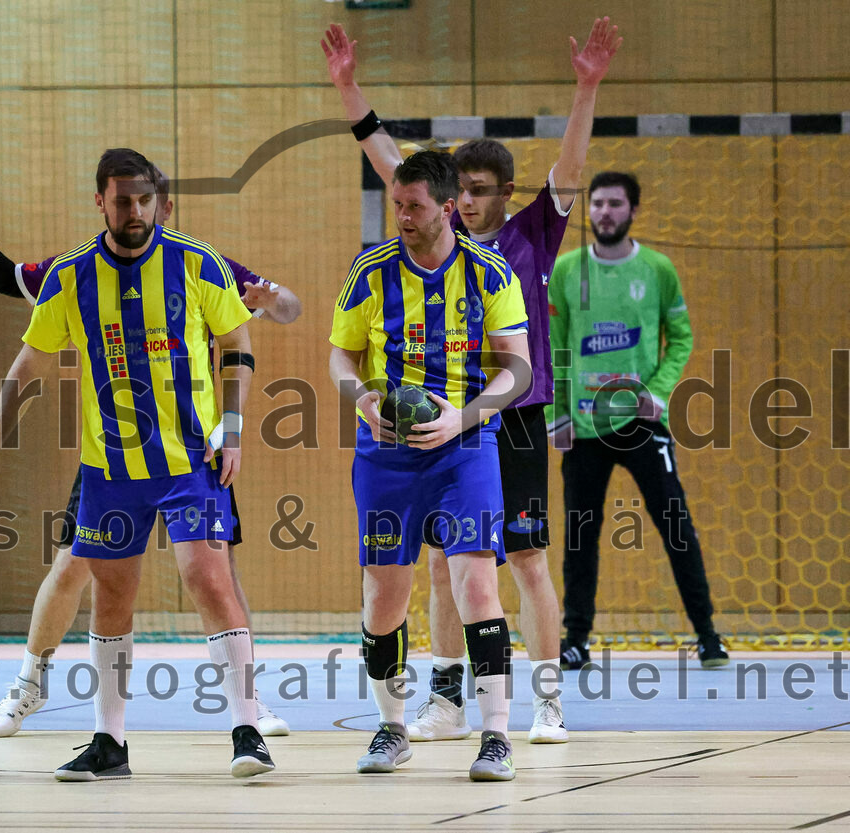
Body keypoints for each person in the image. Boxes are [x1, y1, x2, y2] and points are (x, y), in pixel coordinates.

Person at [323, 17, 621, 742]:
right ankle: (448, 702)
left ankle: (547, 701)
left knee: (523, 559)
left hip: (508, 413)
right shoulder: (416, 238)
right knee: (440, 568)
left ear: (504, 193)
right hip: (431, 413)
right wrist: (349, 89)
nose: (473, 201)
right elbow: (392, 161)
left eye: (486, 190)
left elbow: (573, 166)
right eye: (466, 190)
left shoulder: (530, 235)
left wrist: (586, 87)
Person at [0, 172, 299, 740]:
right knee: (75, 569)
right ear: (103, 204)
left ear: (165, 204)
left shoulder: (206, 264)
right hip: (113, 456)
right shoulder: (76, 269)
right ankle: (30, 688)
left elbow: (285, 311)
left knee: (215, 574)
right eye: (124, 201)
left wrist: (270, 301)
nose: (135, 211)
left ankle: (247, 706)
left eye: (146, 201)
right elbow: (8, 282)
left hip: (193, 448)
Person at [330, 150, 532, 781]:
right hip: (386, 453)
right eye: (398, 205)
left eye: (414, 206)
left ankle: (495, 736)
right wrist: (361, 398)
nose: (403, 217)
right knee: (384, 592)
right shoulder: (370, 272)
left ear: (447, 207)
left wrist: (462, 417)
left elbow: (519, 369)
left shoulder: (488, 271)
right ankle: (392, 729)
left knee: (475, 583)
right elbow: (340, 358)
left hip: (466, 447)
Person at [546, 171, 729, 670]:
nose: (604, 212)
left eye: (615, 204)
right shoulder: (565, 271)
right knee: (580, 533)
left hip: (643, 424)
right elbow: (553, 346)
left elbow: (682, 337)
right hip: (582, 427)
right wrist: (555, 413)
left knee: (676, 524)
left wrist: (660, 391)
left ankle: (708, 634)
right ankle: (576, 639)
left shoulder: (657, 269)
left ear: (633, 210)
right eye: (598, 203)